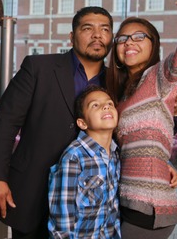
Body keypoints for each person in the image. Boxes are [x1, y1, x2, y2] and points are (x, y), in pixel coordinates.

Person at [0, 6, 114, 238]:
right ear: (72, 37)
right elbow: (5, 122)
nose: (97, 35)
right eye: (88, 28)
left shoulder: (116, 81)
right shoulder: (38, 67)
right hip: (33, 191)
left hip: (91, 205)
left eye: (105, 29)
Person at [106, 0, 177, 238]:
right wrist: (164, 162)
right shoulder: (119, 94)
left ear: (153, 44)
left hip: (151, 206)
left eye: (139, 36)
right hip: (124, 199)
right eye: (123, 38)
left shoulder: (158, 78)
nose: (129, 42)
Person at [48, 85, 121, 239]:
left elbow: (113, 210)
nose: (106, 106)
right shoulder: (74, 157)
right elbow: (63, 217)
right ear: (82, 123)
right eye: (95, 105)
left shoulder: (115, 154)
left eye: (110, 104)